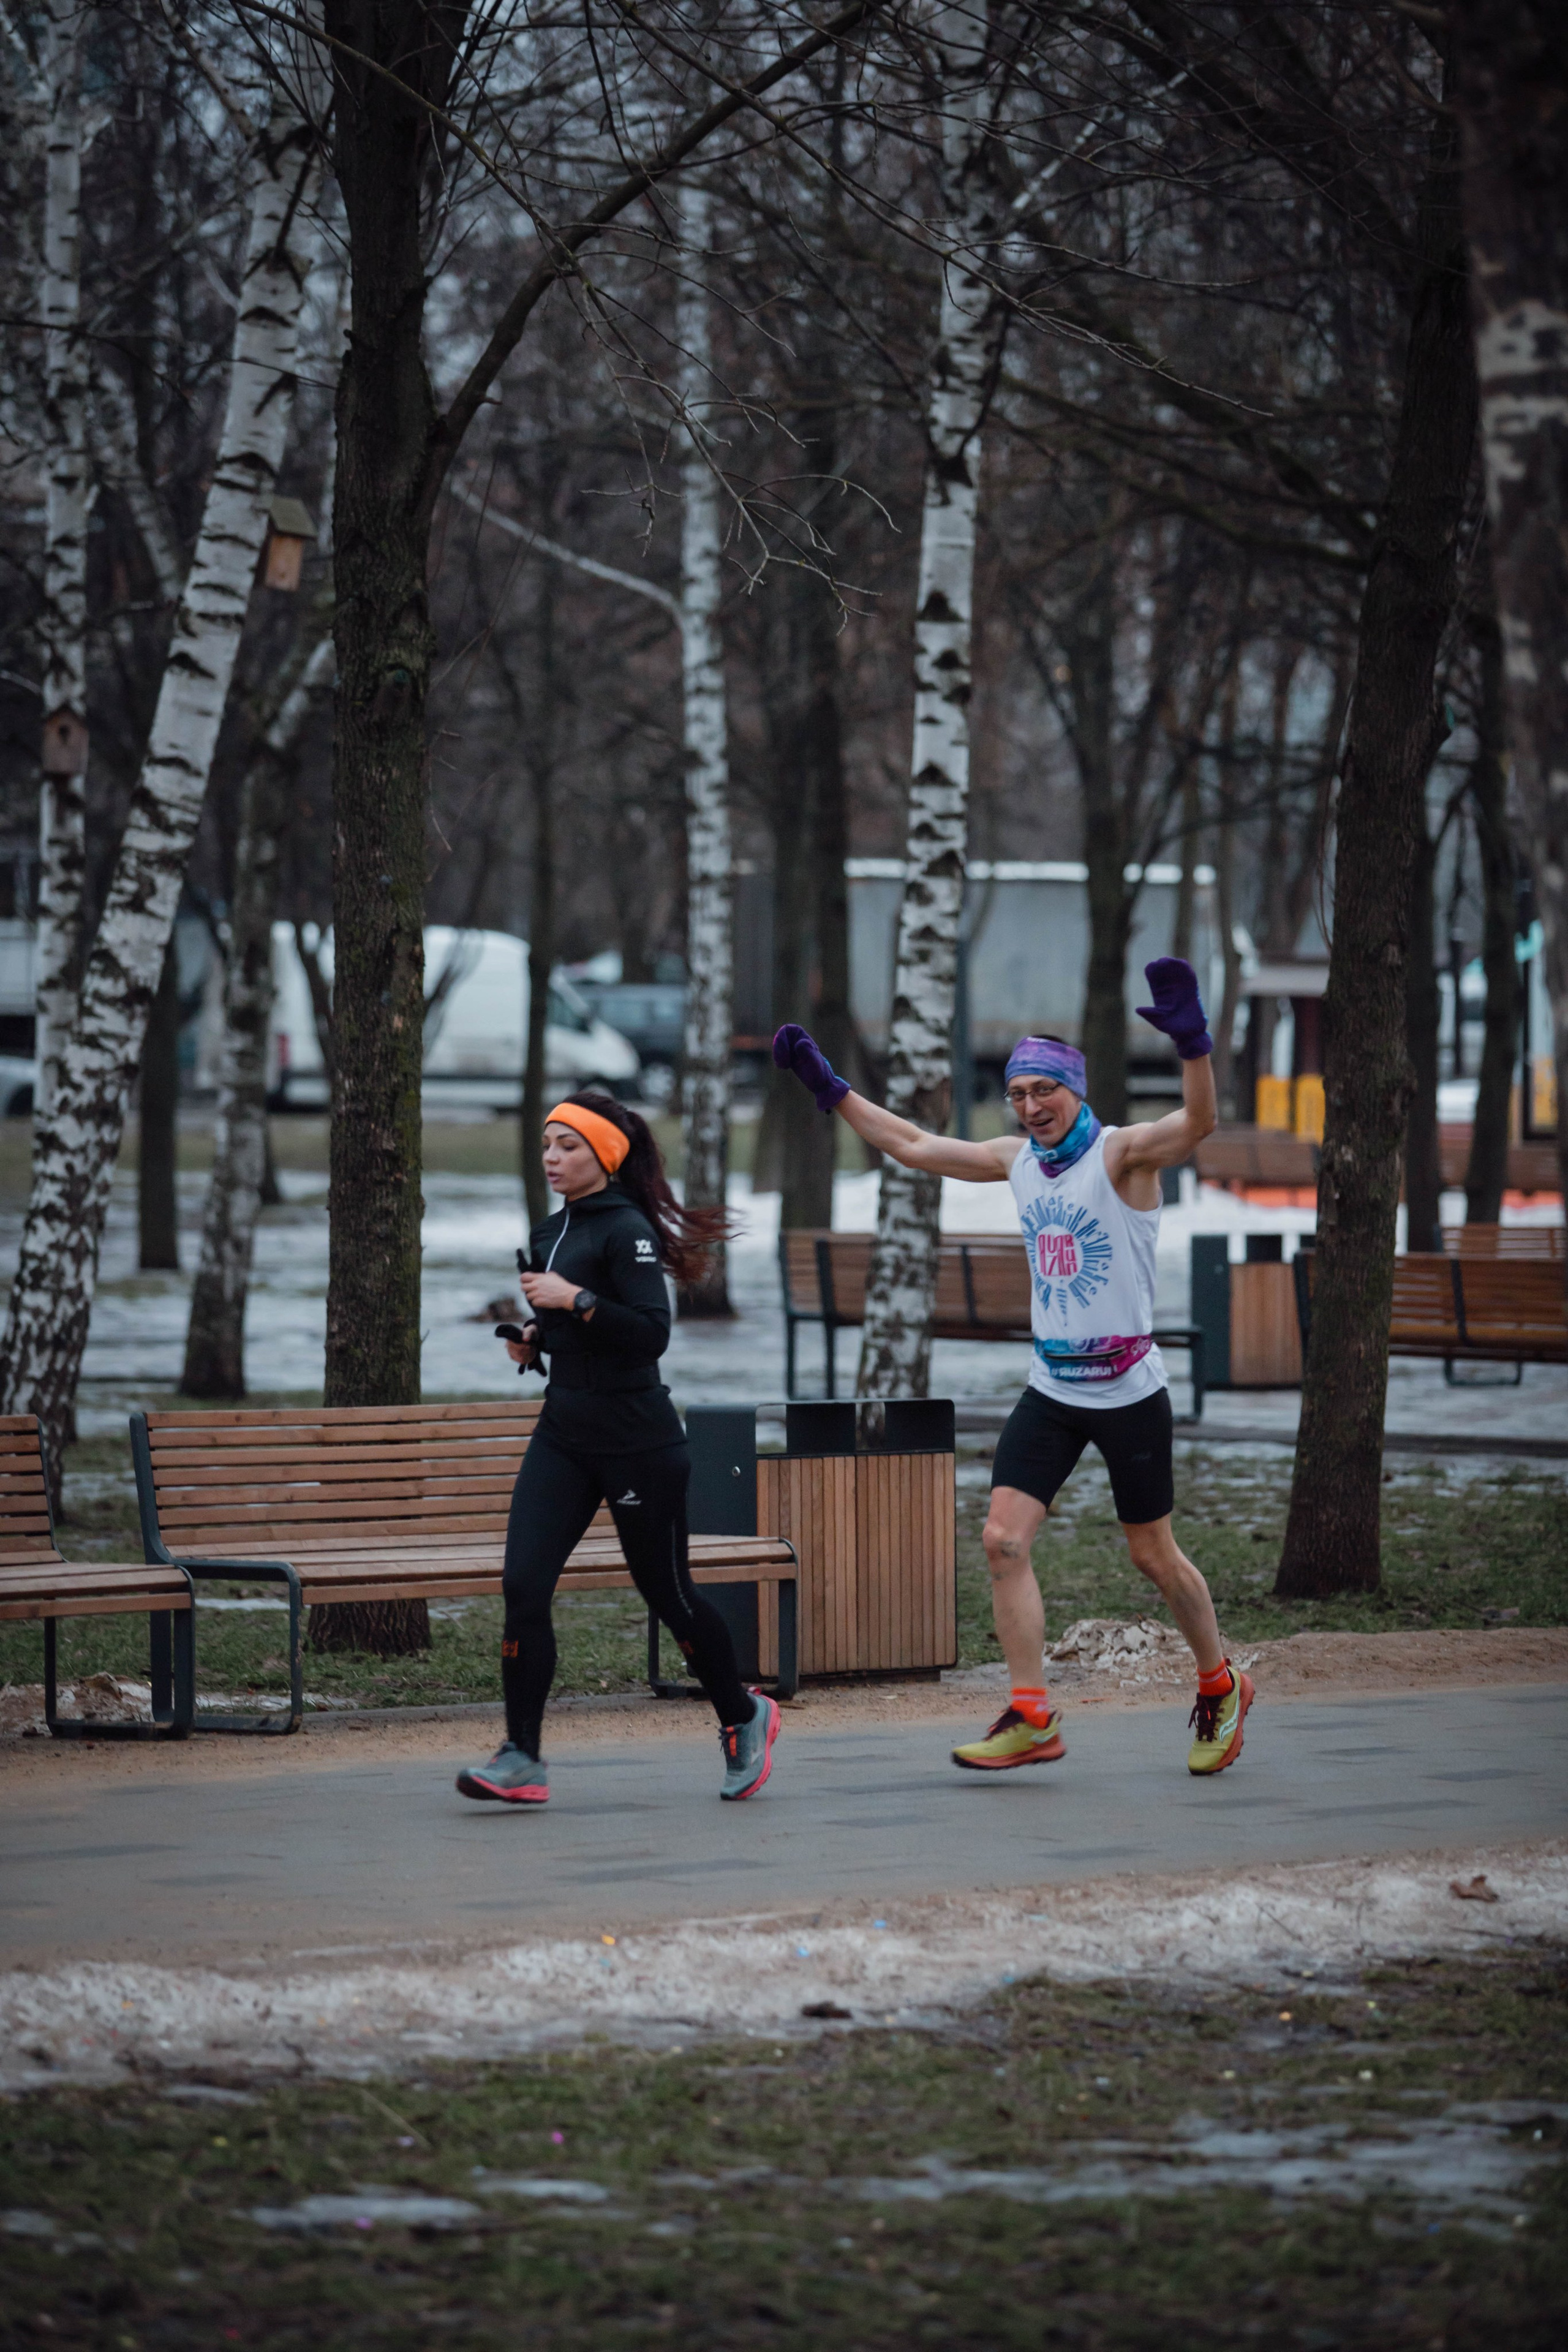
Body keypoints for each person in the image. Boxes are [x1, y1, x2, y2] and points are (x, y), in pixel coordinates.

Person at [773, 957, 1253, 1778]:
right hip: (1053, 1390)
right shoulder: (1016, 1161)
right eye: (1020, 1094)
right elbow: (914, 1144)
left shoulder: (1124, 1154)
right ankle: (1032, 1715)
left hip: (1130, 1391)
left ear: (1077, 1091)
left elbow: (1200, 1124)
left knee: (1152, 1555)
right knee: (1002, 1541)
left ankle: (1221, 1682)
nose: (1031, 1109)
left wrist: (1193, 1046)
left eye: (1046, 1092)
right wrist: (831, 1088)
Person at [456, 1091, 780, 1807]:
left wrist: (575, 1302)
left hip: (638, 1442)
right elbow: (576, 1333)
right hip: (564, 1435)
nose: (552, 1158)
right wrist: (536, 1342)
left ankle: (741, 1713)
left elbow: (649, 1334)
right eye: (547, 1144)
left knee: (667, 1593)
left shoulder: (626, 1230)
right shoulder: (549, 1231)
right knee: (522, 1586)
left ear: (604, 1155)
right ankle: (522, 1756)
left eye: (569, 1145)